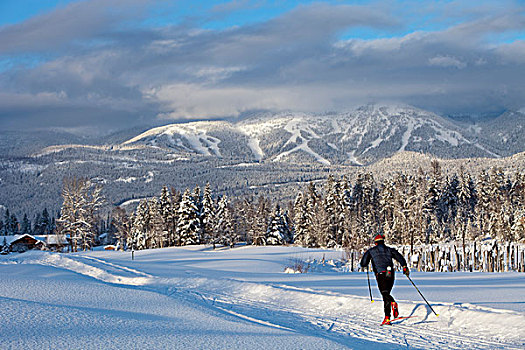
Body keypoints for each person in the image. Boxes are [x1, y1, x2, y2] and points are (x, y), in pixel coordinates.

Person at [360, 233, 409, 325]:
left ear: (375, 243)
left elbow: (363, 263)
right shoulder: (389, 250)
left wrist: (366, 263)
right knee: (386, 294)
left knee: (384, 293)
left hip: (381, 274)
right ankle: (387, 318)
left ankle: (393, 303)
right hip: (390, 274)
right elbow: (400, 257)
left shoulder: (371, 251)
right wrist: (404, 266)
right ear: (383, 241)